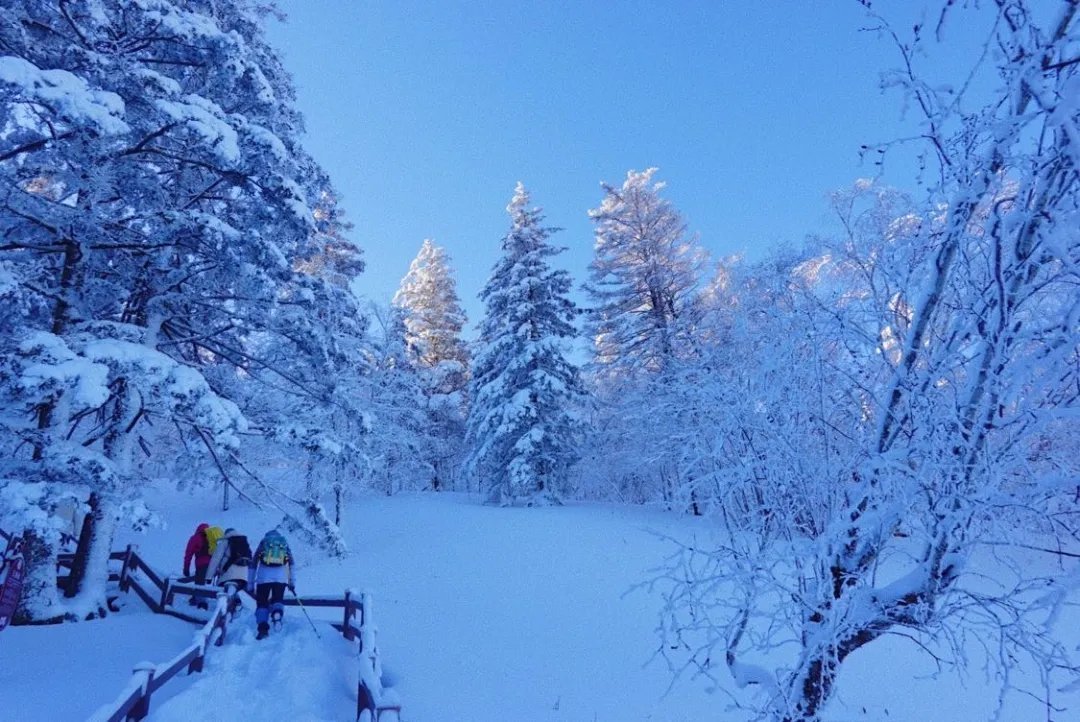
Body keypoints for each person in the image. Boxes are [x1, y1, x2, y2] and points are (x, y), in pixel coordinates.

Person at [248, 528, 296, 640]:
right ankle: (277, 612)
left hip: (263, 578)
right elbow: (292, 563)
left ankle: (263, 629)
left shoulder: (263, 543)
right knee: (277, 599)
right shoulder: (283, 544)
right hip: (280, 578)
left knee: (262, 603)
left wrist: (250, 584)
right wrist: (292, 582)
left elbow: (253, 563)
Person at [207, 528, 252, 615]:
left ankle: (225, 612)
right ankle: (233, 607)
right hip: (243, 575)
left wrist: (209, 577)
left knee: (225, 592)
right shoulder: (244, 542)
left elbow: (215, 559)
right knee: (232, 590)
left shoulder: (225, 542)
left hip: (228, 573)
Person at [183, 522, 214, 608]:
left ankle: (202, 605)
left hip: (202, 564)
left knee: (199, 583)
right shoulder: (212, 537)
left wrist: (186, 568)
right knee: (202, 582)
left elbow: (188, 554)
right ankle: (196, 598)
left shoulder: (195, 538)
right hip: (213, 565)